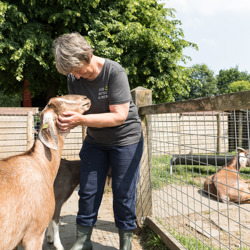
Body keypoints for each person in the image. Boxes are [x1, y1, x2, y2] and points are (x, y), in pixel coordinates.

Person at [53, 32, 143, 250]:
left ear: (86, 56)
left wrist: (80, 120)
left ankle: (125, 243)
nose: (76, 76)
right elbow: (77, 109)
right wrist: (65, 122)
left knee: (123, 193)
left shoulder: (114, 72)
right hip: (95, 140)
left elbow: (119, 115)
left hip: (126, 140)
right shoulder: (74, 78)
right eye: (71, 72)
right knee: (88, 191)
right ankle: (83, 241)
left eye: (76, 69)